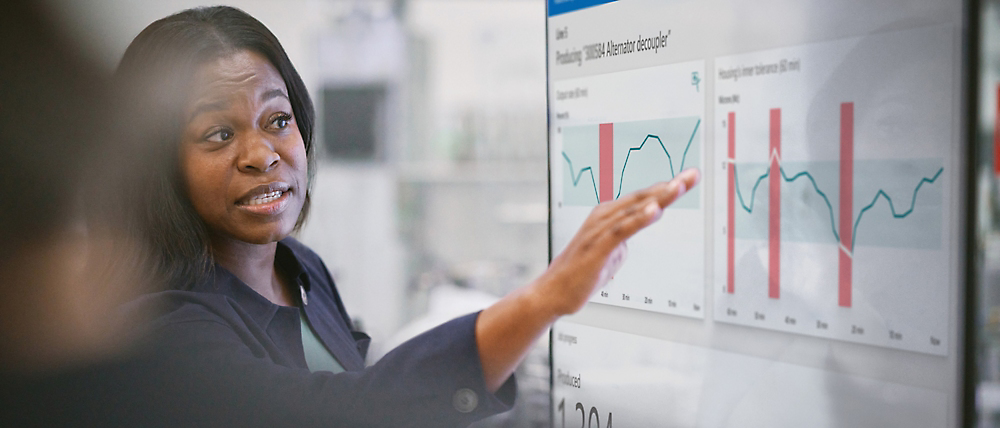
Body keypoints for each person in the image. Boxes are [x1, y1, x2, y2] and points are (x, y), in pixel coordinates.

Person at [117, 6, 700, 427]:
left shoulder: (301, 269)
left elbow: (368, 388)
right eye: (219, 134)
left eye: (277, 120)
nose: (263, 154)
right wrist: (541, 299)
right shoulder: (159, 327)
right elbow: (341, 413)